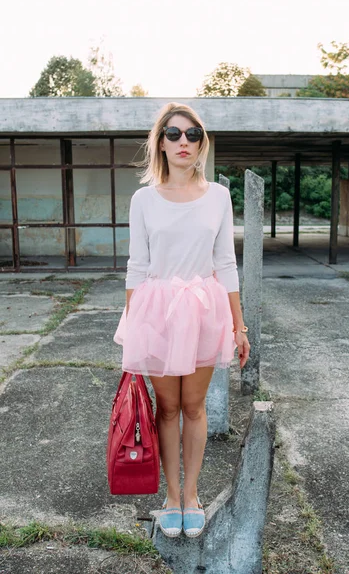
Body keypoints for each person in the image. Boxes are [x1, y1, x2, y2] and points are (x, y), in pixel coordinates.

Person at [113, 102, 250, 538]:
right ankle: (171, 496)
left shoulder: (219, 196)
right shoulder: (143, 199)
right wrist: (134, 327)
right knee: (166, 407)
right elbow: (137, 265)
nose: (183, 142)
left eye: (192, 134)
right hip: (156, 310)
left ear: (202, 142)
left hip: (203, 309)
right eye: (173, 134)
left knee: (193, 406)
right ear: (161, 143)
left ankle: (192, 495)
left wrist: (238, 326)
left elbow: (226, 263)